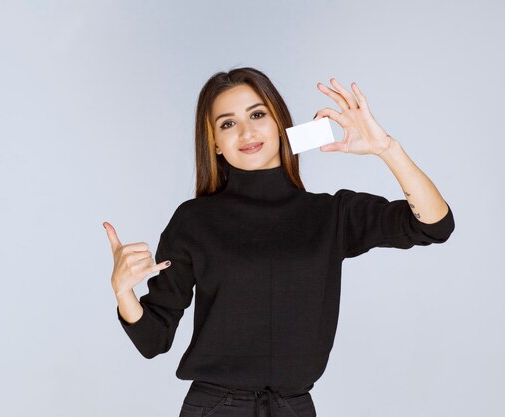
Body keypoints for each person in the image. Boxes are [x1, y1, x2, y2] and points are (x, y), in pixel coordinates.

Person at [103, 67, 455, 417]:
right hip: (214, 408)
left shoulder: (331, 215)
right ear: (214, 143)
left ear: (279, 124)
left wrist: (386, 149)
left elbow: (434, 224)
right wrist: (123, 292)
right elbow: (153, 340)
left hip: (294, 407)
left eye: (257, 114)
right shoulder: (194, 220)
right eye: (227, 123)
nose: (247, 131)